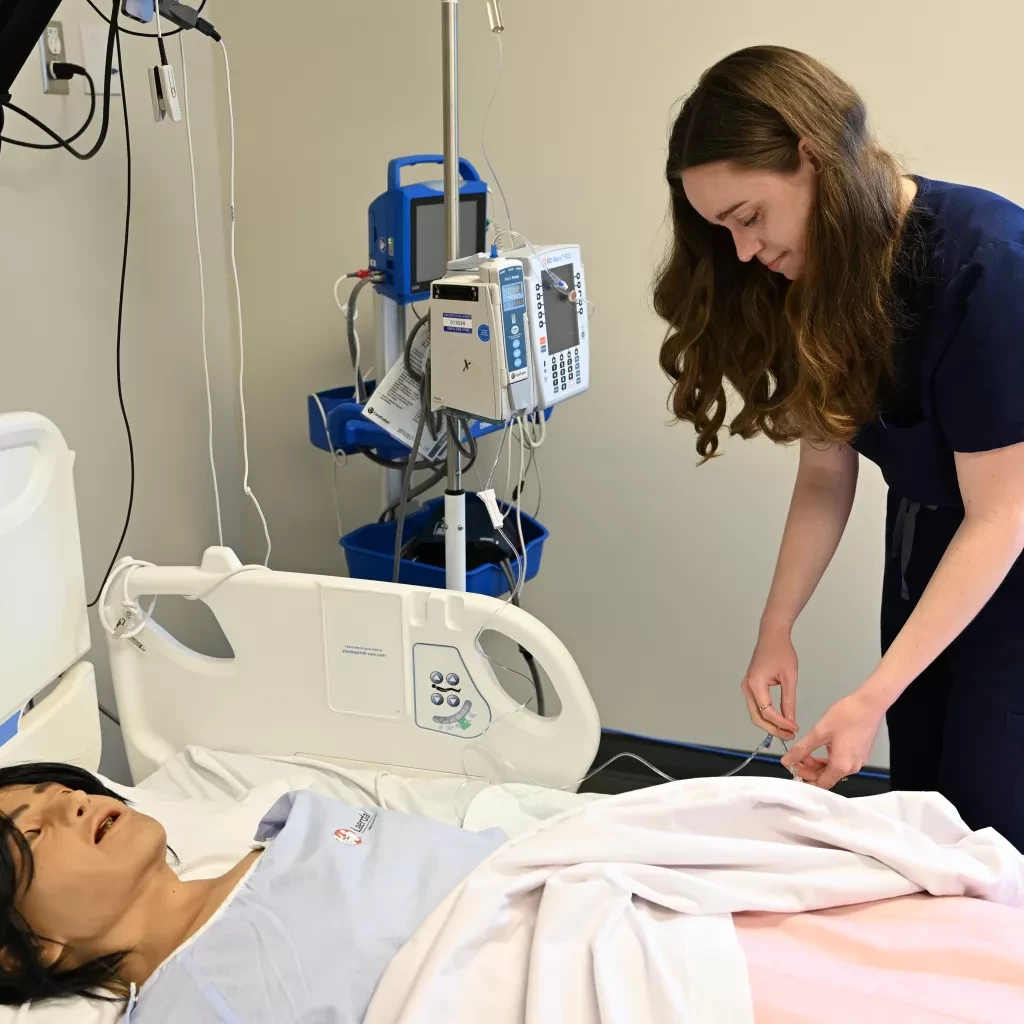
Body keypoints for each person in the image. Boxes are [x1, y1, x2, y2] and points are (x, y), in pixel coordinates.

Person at [653, 45, 1024, 849]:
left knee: (993, 826)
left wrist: (873, 694)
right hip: (930, 547)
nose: (744, 252)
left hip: (1009, 556)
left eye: (748, 218)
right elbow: (825, 471)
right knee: (926, 805)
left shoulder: (991, 267)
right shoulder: (815, 278)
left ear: (813, 160)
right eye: (724, 231)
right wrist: (776, 626)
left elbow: (1001, 518)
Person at [0, 762, 504, 1017]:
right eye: (34, 833)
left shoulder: (294, 823)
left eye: (66, 791)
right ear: (26, 952)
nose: (77, 803)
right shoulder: (188, 1007)